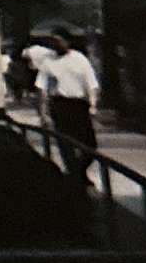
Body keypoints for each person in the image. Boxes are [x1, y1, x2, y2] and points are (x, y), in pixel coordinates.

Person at [36, 29, 102, 182]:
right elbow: (42, 88)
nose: (56, 44)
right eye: (54, 41)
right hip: (60, 105)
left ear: (67, 41)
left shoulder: (79, 59)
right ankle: (75, 176)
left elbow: (91, 84)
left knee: (90, 144)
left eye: (59, 40)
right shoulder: (48, 61)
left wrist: (93, 104)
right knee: (66, 144)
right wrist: (43, 113)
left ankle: (78, 172)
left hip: (79, 105)